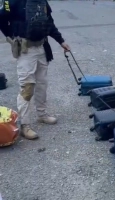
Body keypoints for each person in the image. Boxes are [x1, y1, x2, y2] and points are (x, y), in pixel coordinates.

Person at [0, 0, 70, 140]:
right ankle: (24, 126)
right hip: (26, 49)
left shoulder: (42, 1)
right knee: (27, 87)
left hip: (42, 47)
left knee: (42, 84)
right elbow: (1, 18)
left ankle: (42, 115)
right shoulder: (13, 2)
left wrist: (61, 41)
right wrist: (11, 36)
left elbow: (49, 23)